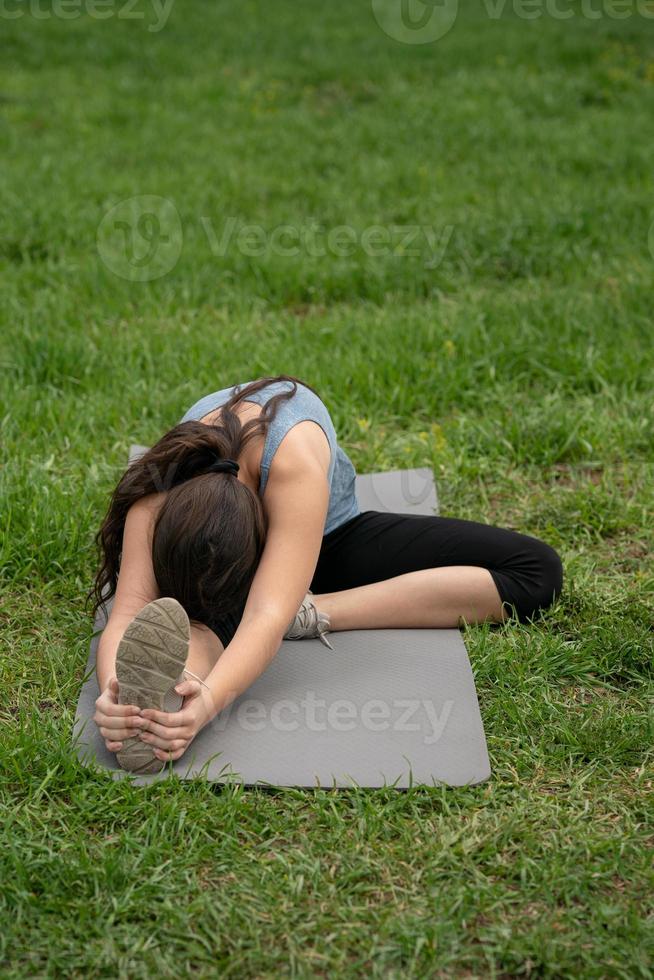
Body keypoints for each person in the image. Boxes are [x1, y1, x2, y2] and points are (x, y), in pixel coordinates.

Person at [89, 373, 563, 773]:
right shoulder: (161, 479)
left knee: (535, 571)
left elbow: (265, 617)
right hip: (206, 547)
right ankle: (154, 700)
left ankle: (308, 611)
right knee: (188, 612)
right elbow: (129, 606)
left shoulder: (292, 468)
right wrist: (112, 691)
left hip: (327, 538)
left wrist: (209, 705)